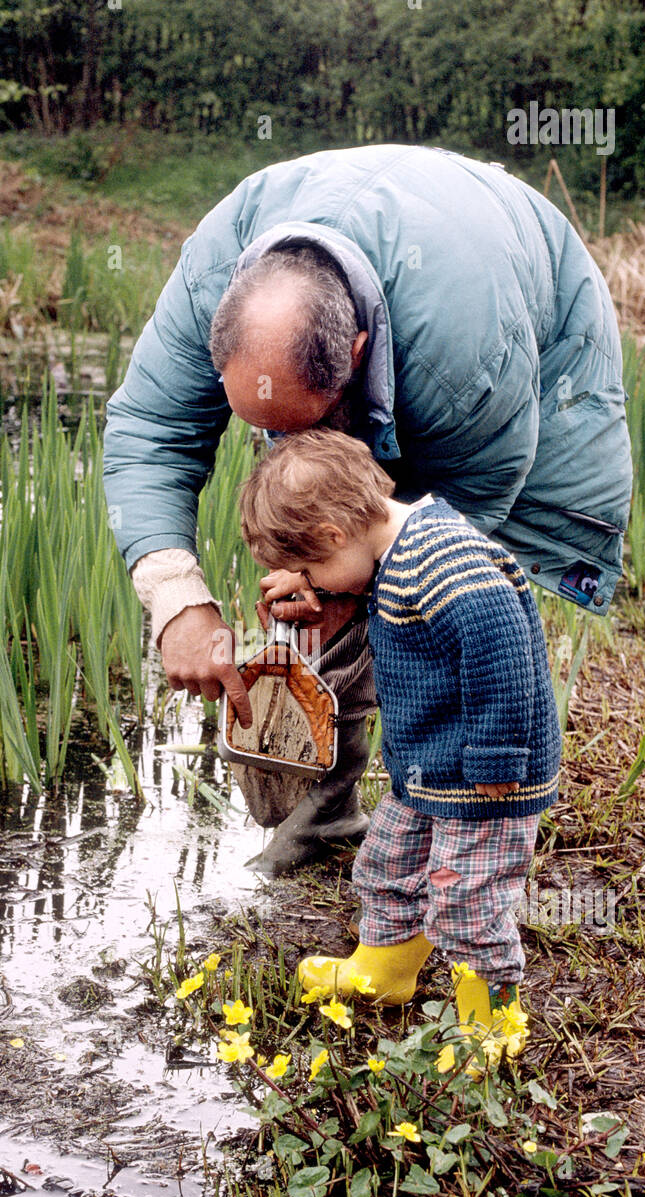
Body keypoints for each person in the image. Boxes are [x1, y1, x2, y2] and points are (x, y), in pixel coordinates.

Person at [103, 145, 631, 874]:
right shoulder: (208, 279)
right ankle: (329, 814)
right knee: (320, 586)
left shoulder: (465, 358)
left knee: (429, 602)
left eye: (299, 426)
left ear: (353, 352)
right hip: (375, 246)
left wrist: (359, 588)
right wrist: (177, 602)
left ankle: (461, 796)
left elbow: (461, 517)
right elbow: (148, 432)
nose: (279, 448)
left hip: (506, 276)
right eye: (267, 429)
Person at [237, 427, 563, 1045]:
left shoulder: (447, 561)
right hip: (427, 769)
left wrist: (497, 757)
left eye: (314, 569)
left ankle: (491, 1023)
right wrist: (318, 592)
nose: (321, 583)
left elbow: (502, 652)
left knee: (470, 897)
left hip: (486, 775)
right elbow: (384, 602)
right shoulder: (393, 554)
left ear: (335, 536)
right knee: (388, 864)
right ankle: (386, 969)